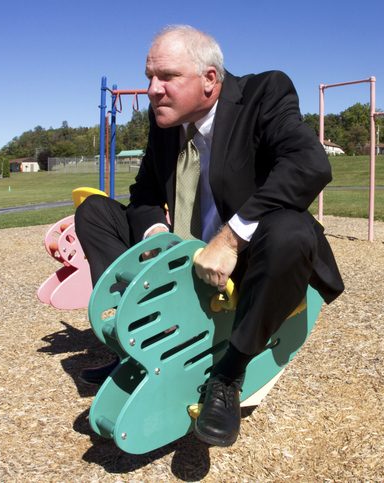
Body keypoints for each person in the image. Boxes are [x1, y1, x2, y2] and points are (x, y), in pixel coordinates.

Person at [74, 25, 343, 448]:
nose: (152, 90)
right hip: (185, 250)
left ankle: (228, 376)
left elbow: (310, 165)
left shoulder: (264, 93)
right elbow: (144, 194)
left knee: (292, 230)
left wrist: (230, 240)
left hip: (248, 257)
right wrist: (156, 237)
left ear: (210, 80)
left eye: (166, 77)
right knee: (94, 212)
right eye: (149, 77)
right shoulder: (166, 120)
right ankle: (137, 341)